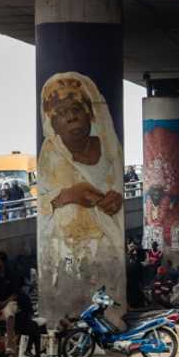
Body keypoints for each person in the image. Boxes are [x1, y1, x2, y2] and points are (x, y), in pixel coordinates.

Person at [37, 72, 125, 271]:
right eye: (60, 113)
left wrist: (117, 200)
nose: (71, 118)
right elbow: (42, 205)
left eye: (76, 108)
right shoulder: (50, 155)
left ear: (89, 112)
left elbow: (118, 189)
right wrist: (68, 195)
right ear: (52, 123)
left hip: (109, 256)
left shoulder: (111, 148)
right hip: (67, 257)